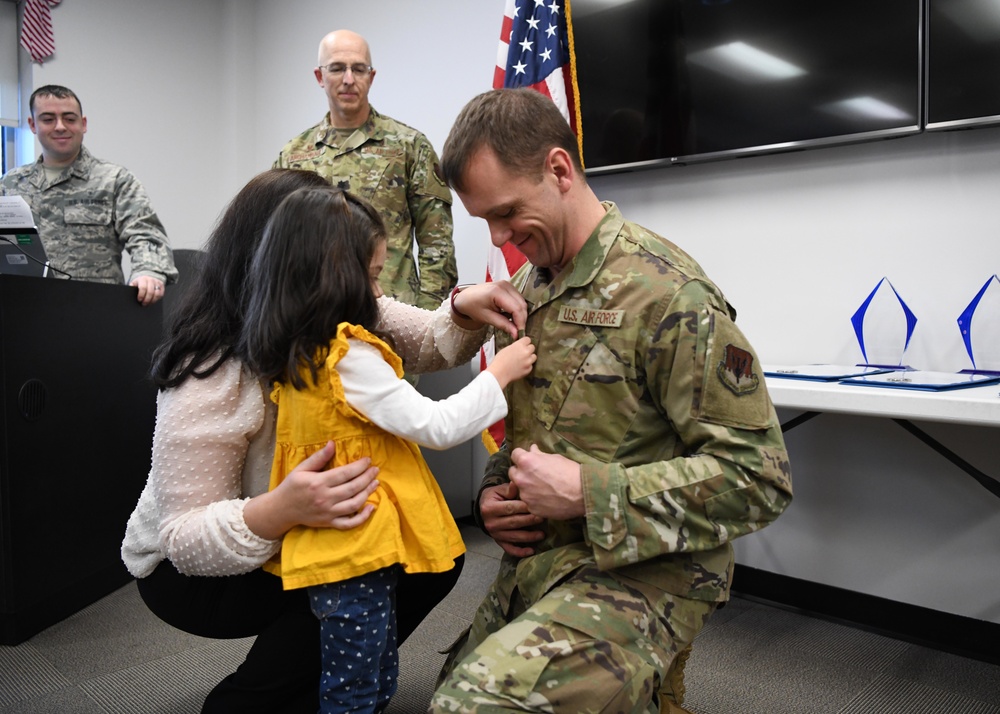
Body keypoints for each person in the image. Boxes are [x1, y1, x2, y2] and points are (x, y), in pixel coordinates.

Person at [430, 88, 794, 714]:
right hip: (547, 560)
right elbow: (529, 432)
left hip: (651, 566)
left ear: (559, 170)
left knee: (475, 706)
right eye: (484, 220)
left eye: (508, 212)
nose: (500, 237)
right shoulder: (526, 290)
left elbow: (760, 477)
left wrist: (588, 493)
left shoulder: (667, 294)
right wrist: (496, 491)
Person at [120, 168, 527, 714]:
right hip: (195, 570)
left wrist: (459, 306)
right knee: (364, 567)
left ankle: (322, 675)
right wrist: (281, 509)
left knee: (424, 549)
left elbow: (425, 342)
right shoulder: (211, 373)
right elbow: (183, 539)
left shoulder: (324, 306)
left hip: (301, 525)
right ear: (293, 257)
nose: (374, 291)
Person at [239, 185, 536, 713]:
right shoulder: (347, 356)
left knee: (366, 671)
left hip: (342, 551)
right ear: (333, 275)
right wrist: (501, 375)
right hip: (356, 555)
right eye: (373, 276)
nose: (378, 293)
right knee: (358, 686)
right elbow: (438, 425)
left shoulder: (296, 347)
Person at [274, 29, 457, 312]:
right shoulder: (293, 156)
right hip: (314, 318)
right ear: (320, 77)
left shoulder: (409, 146)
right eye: (337, 68)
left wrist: (427, 320)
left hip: (392, 313)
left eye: (359, 69)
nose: (349, 79)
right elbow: (277, 246)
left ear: (371, 77)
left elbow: (437, 245)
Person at [0, 85, 177, 306]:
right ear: (32, 125)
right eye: (48, 119)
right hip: (25, 307)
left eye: (69, 119)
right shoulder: (10, 184)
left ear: (83, 124)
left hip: (95, 308)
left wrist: (148, 271)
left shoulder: (114, 180)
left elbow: (146, 234)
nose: (60, 127)